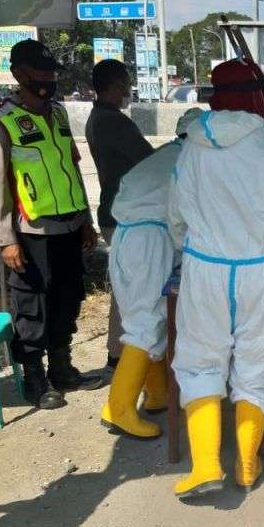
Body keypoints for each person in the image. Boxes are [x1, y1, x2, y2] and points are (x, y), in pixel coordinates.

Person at [168, 58, 264, 499]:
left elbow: (176, 214)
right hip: (263, 269)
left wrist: (190, 249)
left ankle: (206, 466)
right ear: (260, 97)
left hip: (206, 267)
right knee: (258, 364)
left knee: (199, 360)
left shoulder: (191, 147)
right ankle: (247, 465)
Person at [0, 39, 105, 410]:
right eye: (40, 72)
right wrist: (5, 239)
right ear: (18, 73)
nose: (48, 79)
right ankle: (35, 378)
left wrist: (85, 218)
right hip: (31, 230)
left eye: (52, 73)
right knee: (32, 304)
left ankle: (63, 368)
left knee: (68, 297)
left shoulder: (59, 114)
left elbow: (72, 169)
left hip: (69, 226)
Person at [99, 108, 203, 439]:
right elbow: (191, 214)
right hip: (150, 240)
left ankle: (157, 394)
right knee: (146, 321)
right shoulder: (190, 161)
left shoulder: (163, 155)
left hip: (127, 237)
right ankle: (118, 408)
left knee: (147, 315)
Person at [86, 58, 155, 375]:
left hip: (116, 211)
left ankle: (121, 352)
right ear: (116, 86)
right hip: (123, 214)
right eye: (126, 84)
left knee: (127, 287)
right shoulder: (112, 121)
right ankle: (120, 355)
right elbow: (147, 159)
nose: (129, 90)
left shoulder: (99, 117)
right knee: (130, 290)